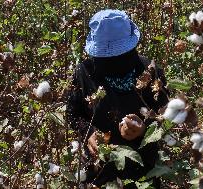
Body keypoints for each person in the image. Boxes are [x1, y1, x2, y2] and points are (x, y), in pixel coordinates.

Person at [66, 9, 169, 188]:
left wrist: (145, 129)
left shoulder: (151, 73)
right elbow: (72, 113)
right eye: (107, 57)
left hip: (143, 172)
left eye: (119, 55)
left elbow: (167, 118)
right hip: (100, 171)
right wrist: (89, 132)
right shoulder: (84, 73)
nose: (114, 61)